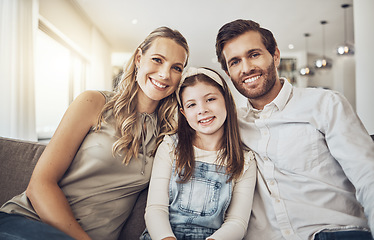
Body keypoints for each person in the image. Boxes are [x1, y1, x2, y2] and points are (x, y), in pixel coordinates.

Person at [0, 26, 189, 240]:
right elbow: (40, 185)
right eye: (157, 59)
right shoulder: (94, 102)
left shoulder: (168, 134)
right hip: (27, 222)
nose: (165, 74)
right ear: (139, 58)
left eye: (176, 68)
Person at [215, 19, 374, 240]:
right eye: (234, 62)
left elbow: (368, 176)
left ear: (275, 56)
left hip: (336, 232)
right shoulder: (230, 125)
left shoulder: (325, 104)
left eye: (254, 54)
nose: (246, 68)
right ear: (228, 72)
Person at [140, 67, 256, 240]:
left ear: (226, 100)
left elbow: (237, 222)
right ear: (184, 114)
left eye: (210, 99)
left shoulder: (245, 159)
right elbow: (156, 209)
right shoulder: (170, 147)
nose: (202, 110)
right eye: (191, 105)